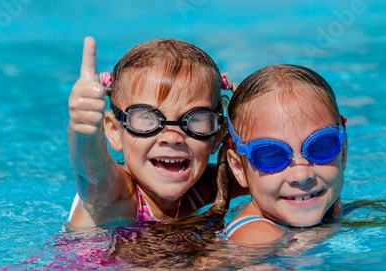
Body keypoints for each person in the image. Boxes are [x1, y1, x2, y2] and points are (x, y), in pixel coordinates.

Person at [68, 36, 236, 227]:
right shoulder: (116, 196)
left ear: (216, 136)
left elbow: (267, 177)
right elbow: (90, 171)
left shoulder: (205, 187)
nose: (172, 137)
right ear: (114, 130)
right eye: (147, 119)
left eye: (195, 119)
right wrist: (84, 131)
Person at [224, 64, 348, 245]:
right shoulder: (257, 237)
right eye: (272, 155)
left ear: (343, 154)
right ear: (238, 169)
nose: (302, 175)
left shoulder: (329, 206)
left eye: (321, 147)